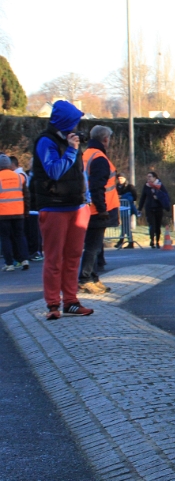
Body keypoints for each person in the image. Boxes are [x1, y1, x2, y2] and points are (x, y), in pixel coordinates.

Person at [31, 100, 93, 319]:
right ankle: (53, 304)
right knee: (54, 257)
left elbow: (81, 173)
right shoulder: (46, 141)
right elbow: (54, 171)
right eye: (73, 122)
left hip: (76, 205)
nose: (76, 126)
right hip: (54, 206)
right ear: (65, 121)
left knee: (73, 255)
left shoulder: (71, 140)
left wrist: (87, 199)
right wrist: (71, 151)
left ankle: (71, 301)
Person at [78, 126, 120, 294]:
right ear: (105, 139)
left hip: (89, 208)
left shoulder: (86, 155)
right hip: (98, 210)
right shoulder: (100, 158)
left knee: (94, 246)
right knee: (93, 247)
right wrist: (102, 210)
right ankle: (85, 279)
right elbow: (97, 187)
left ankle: (93, 277)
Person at [0, 153, 30, 271]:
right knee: (20, 236)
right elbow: (26, 196)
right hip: (18, 212)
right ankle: (24, 259)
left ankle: (10, 263)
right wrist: (26, 211)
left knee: (5, 238)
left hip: (3, 213)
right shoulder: (19, 177)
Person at [138, 171, 171, 248]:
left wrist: (158, 197)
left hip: (158, 208)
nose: (148, 178)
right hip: (149, 208)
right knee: (152, 224)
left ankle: (157, 241)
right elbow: (143, 197)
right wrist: (140, 208)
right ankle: (152, 240)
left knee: (158, 225)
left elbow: (165, 196)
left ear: (155, 177)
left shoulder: (160, 185)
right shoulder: (146, 186)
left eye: (150, 176)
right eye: (147, 177)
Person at [20, 157, 43, 261]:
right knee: (29, 231)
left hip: (36, 208)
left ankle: (37, 251)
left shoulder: (40, 176)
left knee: (36, 232)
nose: (31, 165)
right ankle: (31, 250)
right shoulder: (27, 174)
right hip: (28, 208)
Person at [115, 174, 138, 248]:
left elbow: (135, 196)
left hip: (128, 208)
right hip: (121, 207)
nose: (120, 180)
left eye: (121, 178)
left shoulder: (130, 186)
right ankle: (126, 242)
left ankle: (123, 241)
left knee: (125, 225)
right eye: (119, 178)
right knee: (125, 225)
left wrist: (122, 197)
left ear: (125, 178)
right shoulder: (117, 187)